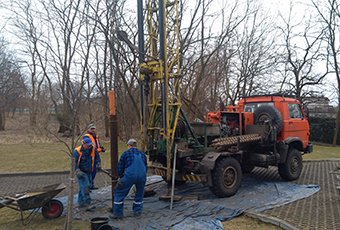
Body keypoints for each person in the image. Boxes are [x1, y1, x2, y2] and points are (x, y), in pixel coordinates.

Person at [112, 139, 147, 218]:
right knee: (139, 194)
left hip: (130, 176)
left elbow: (120, 168)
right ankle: (137, 212)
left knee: (119, 193)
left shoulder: (125, 154)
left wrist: (121, 177)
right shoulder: (142, 154)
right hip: (142, 177)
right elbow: (145, 166)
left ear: (129, 145)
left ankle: (117, 214)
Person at [73, 136, 100, 209]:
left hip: (89, 171)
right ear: (83, 144)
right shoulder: (77, 151)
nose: (89, 146)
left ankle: (81, 203)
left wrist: (98, 164)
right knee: (86, 187)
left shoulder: (93, 149)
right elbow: (73, 163)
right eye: (87, 145)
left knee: (84, 187)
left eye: (90, 145)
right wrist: (77, 170)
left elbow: (97, 157)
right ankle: (88, 203)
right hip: (81, 172)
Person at [84, 123, 105, 190]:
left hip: (95, 155)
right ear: (88, 129)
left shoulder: (95, 136)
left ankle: (91, 185)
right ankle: (89, 186)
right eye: (91, 129)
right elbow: (88, 146)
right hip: (90, 156)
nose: (93, 130)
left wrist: (101, 148)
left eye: (94, 129)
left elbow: (97, 145)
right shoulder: (87, 136)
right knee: (90, 171)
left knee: (94, 171)